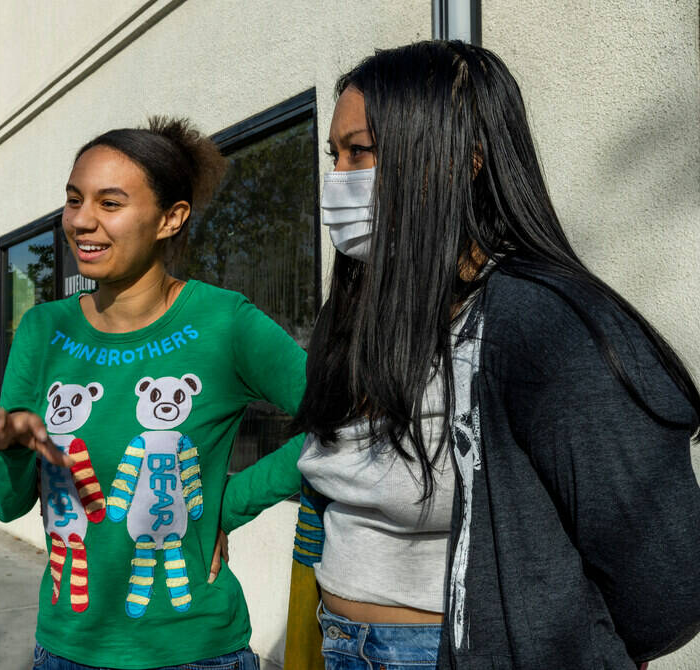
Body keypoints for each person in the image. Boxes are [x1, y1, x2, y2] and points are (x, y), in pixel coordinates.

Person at [289, 40, 700, 670]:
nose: (337, 179)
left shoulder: (541, 323)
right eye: (334, 154)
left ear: (462, 162)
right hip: (340, 642)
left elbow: (663, 582)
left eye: (361, 153)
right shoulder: (356, 312)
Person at [0, 117, 307, 669]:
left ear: (171, 218)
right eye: (74, 200)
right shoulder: (43, 330)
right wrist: (12, 446)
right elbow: (4, 504)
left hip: (195, 652)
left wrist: (228, 506)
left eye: (110, 203)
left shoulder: (224, 322)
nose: (82, 221)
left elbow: (342, 417)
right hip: (66, 650)